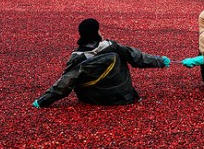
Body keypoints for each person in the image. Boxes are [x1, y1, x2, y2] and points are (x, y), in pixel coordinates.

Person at [32, 18, 170, 108]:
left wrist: (42, 101)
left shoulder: (77, 57)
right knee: (121, 55)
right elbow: (138, 58)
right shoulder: (111, 46)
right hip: (124, 98)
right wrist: (161, 61)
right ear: (97, 32)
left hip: (93, 100)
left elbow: (65, 83)